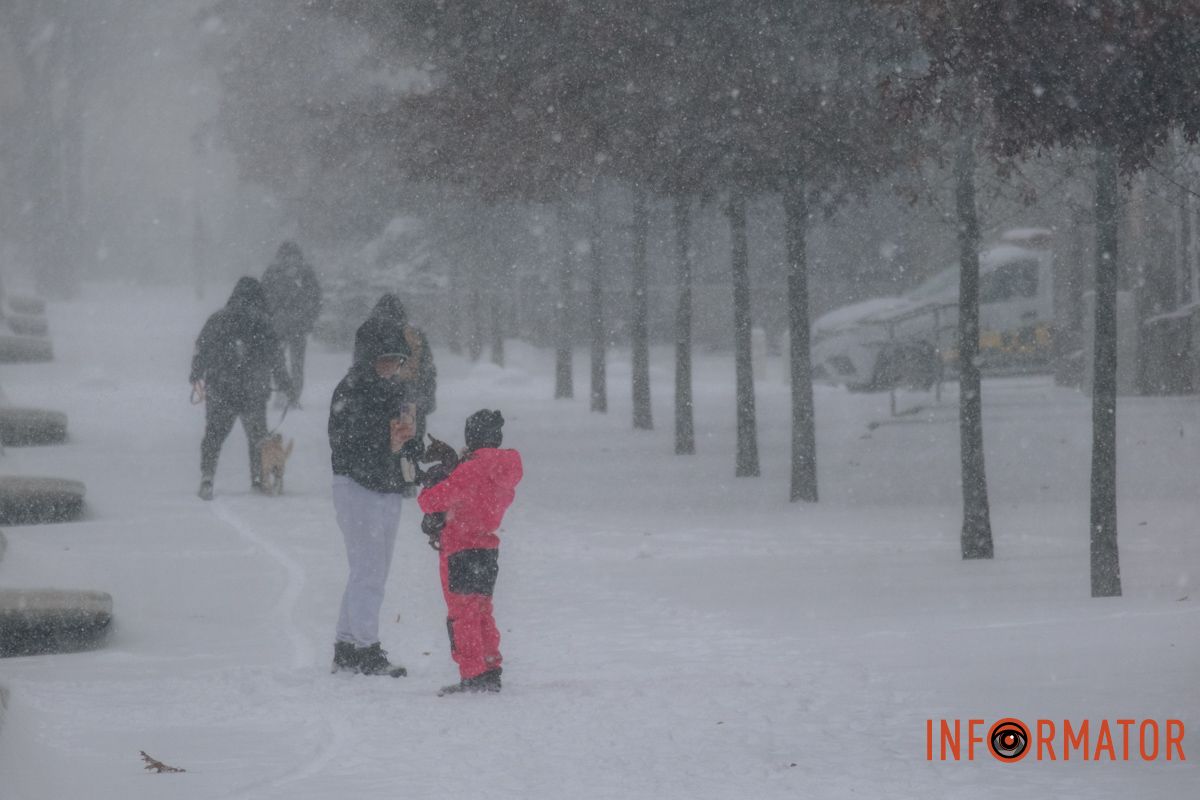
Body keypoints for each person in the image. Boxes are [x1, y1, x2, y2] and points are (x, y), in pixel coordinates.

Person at [328, 315, 422, 677]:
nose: (392, 367)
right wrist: (386, 439)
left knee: (372, 569)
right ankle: (366, 648)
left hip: (388, 485)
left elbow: (406, 435)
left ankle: (347, 643)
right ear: (368, 356)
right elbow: (345, 441)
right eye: (386, 359)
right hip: (357, 485)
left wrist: (410, 451)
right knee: (367, 568)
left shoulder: (396, 391)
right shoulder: (351, 389)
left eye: (398, 360)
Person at [417, 409, 523, 695]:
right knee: (482, 610)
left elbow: (430, 502)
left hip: (460, 548)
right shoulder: (505, 470)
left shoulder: (471, 470)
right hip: (487, 548)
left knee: (462, 614)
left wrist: (434, 481)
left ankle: (472, 672)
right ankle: (490, 668)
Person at [191, 277, 294, 501]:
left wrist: (196, 373)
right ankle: (258, 479)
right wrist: (285, 383)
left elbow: (202, 349)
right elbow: (276, 357)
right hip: (253, 390)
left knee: (214, 435)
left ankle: (207, 477)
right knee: (257, 437)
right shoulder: (264, 323)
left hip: (221, 387)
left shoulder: (217, 319)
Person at [353, 293, 437, 469]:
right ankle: (408, 474)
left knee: (384, 436)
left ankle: (387, 471)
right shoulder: (414, 333)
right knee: (411, 436)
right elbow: (427, 368)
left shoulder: (372, 334)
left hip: (383, 392)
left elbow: (360, 365)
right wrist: (427, 397)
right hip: (411, 394)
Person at [261, 241, 322, 405]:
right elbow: (315, 298)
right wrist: (309, 318)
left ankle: (285, 394)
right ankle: (292, 395)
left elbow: (263, 298)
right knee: (294, 364)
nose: (290, 260)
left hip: (280, 326)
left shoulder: (273, 273)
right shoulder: (305, 273)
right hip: (294, 326)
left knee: (281, 363)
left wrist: (270, 316)